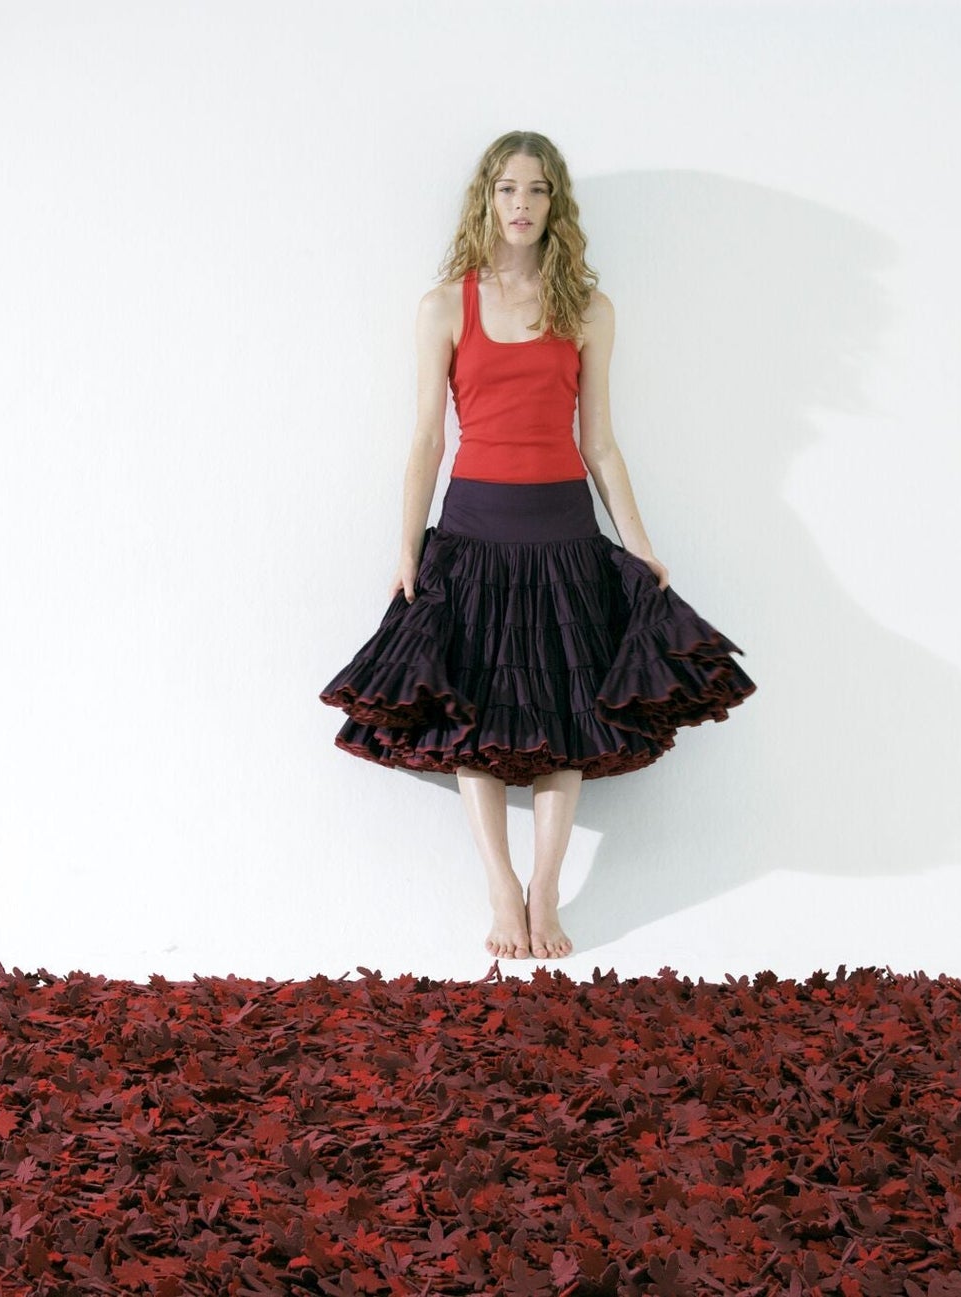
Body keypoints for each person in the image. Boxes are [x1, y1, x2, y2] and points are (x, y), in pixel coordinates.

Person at [320, 130, 755, 962]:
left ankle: (545, 889)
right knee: (471, 713)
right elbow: (426, 440)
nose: (521, 204)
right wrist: (407, 548)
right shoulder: (444, 306)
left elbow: (602, 445)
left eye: (537, 190)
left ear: (556, 204)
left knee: (569, 711)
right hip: (473, 536)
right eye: (507, 189)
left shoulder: (587, 309)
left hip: (563, 536)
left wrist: (640, 546)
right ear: (486, 199)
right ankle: (499, 885)